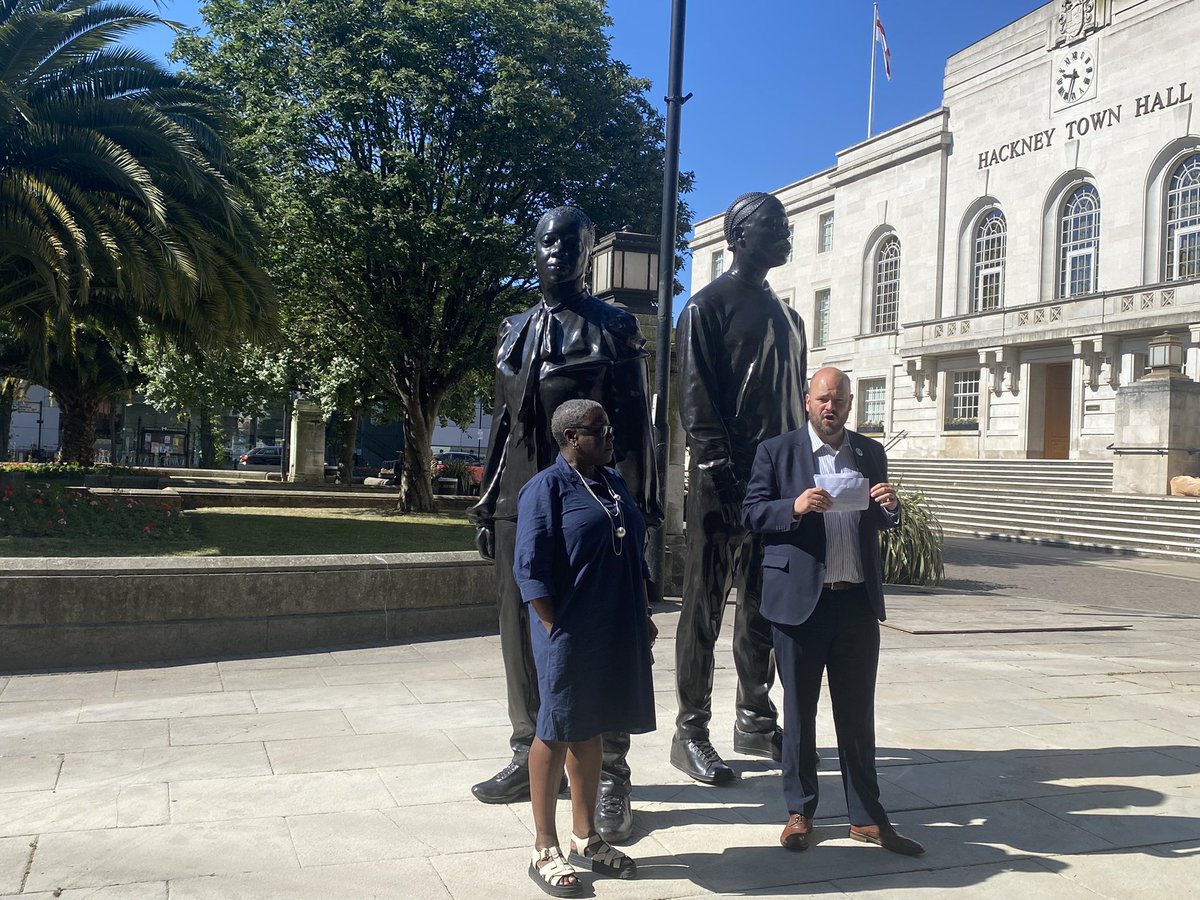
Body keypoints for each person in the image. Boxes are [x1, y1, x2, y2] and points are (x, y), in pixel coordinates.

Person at [467, 206, 660, 843]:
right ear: (534, 250)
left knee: (598, 635)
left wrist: (641, 517)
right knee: (519, 634)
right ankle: (530, 751)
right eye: (548, 241)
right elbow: (501, 426)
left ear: (586, 256)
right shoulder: (513, 329)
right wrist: (489, 500)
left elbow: (634, 431)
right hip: (519, 502)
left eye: (572, 244)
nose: (559, 252)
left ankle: (609, 772)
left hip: (590, 511)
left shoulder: (612, 328)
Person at [741, 367, 924, 857]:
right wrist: (795, 506)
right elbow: (751, 512)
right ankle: (800, 811)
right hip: (802, 604)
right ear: (807, 402)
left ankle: (866, 817)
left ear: (849, 404)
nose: (831, 407)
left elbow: (880, 520)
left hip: (856, 602)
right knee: (800, 713)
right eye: (823, 399)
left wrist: (890, 507)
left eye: (839, 400)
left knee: (857, 714)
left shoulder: (869, 452)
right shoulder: (777, 452)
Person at [672, 191, 808, 784]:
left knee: (762, 606)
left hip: (778, 489)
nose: (787, 232)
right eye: (773, 225)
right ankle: (690, 730)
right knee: (702, 606)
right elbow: (696, 406)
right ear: (739, 235)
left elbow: (794, 410)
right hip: (724, 484)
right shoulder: (706, 308)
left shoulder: (792, 319)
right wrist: (724, 478)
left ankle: (755, 717)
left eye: (786, 224)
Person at [515, 398, 656, 896]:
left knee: (590, 726)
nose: (611, 435)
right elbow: (530, 571)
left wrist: (640, 613)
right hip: (569, 631)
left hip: (615, 625)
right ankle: (544, 847)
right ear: (573, 436)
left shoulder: (611, 484)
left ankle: (586, 836)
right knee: (554, 729)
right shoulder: (545, 488)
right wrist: (556, 630)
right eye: (602, 429)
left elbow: (633, 550)